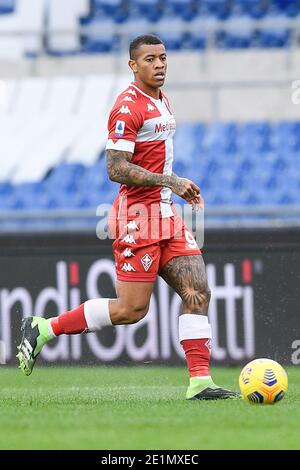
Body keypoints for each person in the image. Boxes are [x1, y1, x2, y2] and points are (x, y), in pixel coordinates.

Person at [17, 34, 239, 400]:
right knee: (131, 310)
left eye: (163, 57)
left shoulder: (161, 99)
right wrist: (171, 180)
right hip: (138, 218)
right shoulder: (127, 107)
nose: (159, 64)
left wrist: (172, 187)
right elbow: (116, 168)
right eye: (150, 59)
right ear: (133, 65)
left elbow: (154, 157)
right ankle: (44, 328)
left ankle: (200, 383)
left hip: (165, 214)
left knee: (197, 291)